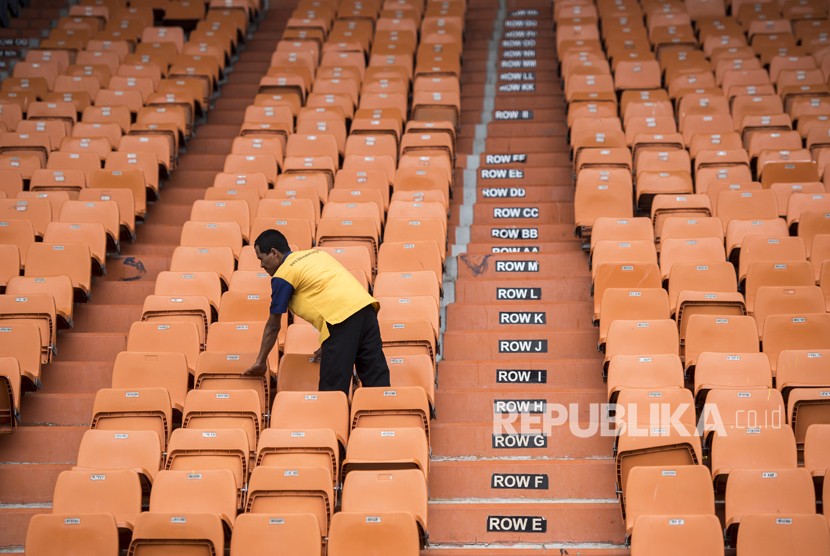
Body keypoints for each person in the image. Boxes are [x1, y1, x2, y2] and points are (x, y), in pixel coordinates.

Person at [244, 229, 391, 395]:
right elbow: (327, 291)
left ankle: (332, 421)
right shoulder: (316, 255)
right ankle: (384, 418)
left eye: (261, 259)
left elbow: (273, 326)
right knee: (377, 379)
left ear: (274, 253)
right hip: (366, 310)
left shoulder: (284, 274)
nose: (261, 265)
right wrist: (330, 341)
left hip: (341, 321)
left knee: (332, 389)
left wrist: (261, 361)